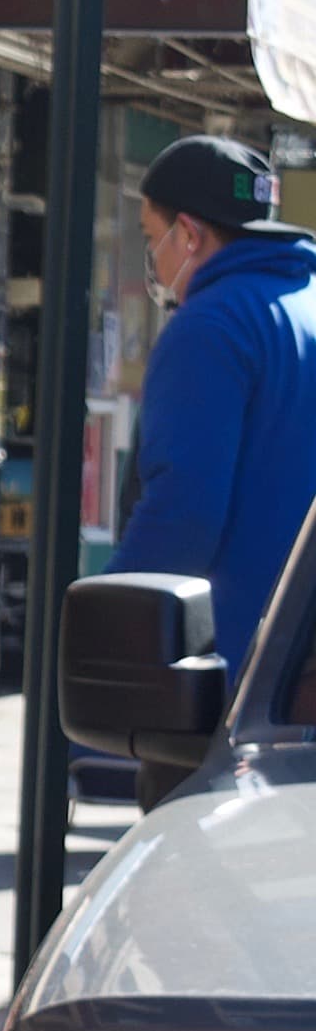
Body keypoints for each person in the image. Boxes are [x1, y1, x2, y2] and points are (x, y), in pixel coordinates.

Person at [114, 135, 316, 677]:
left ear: (188, 234)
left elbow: (182, 515)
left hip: (230, 676)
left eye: (152, 238)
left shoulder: (210, 327)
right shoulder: (305, 305)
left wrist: (110, 625)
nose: (154, 259)